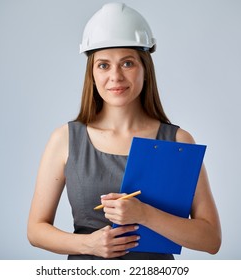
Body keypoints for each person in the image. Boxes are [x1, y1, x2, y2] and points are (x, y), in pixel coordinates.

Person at [27, 2, 221, 260]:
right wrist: (89, 245)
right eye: (104, 65)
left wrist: (144, 214)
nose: (115, 76)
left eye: (127, 63)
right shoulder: (65, 139)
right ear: (92, 74)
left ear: (145, 70)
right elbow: (35, 230)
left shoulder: (177, 141)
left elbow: (211, 239)